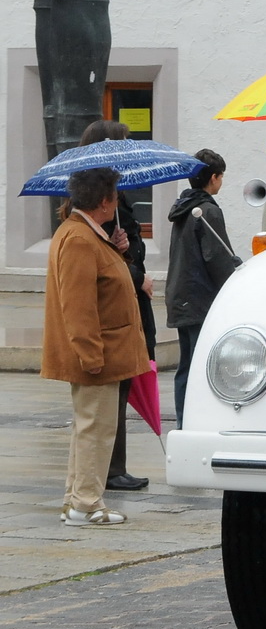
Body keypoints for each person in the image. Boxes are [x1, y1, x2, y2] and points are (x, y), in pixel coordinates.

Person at [41, 167, 149, 526]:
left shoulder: (88, 234)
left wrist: (119, 250)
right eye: (115, 195)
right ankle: (86, 505)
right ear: (104, 201)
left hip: (106, 351)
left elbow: (105, 283)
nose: (117, 201)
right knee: (96, 430)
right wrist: (90, 355)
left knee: (90, 428)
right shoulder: (79, 238)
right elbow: (78, 305)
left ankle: (76, 499)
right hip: (100, 354)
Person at [76, 120, 154, 492]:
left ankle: (111, 468)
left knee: (118, 396)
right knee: (106, 404)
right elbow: (99, 278)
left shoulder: (117, 204)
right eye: (123, 144)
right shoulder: (95, 214)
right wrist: (134, 269)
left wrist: (130, 258)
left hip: (129, 306)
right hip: (115, 319)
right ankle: (106, 473)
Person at [166, 150, 242, 428]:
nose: (221, 182)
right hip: (200, 298)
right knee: (199, 365)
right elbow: (217, 258)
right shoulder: (207, 211)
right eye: (221, 177)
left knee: (186, 364)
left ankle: (184, 422)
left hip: (181, 296)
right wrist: (234, 286)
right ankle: (195, 422)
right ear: (213, 177)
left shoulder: (183, 208)